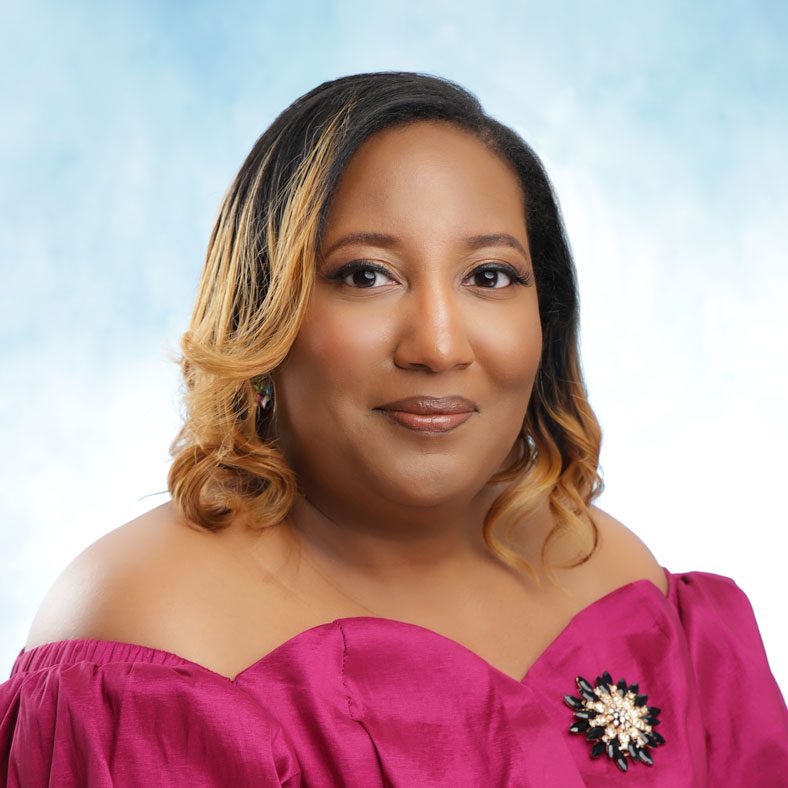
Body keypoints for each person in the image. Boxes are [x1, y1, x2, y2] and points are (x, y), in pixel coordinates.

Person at [1, 71, 786, 787]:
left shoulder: (611, 574)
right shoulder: (149, 635)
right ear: (263, 312)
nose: (440, 346)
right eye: (365, 275)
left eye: (490, 276)